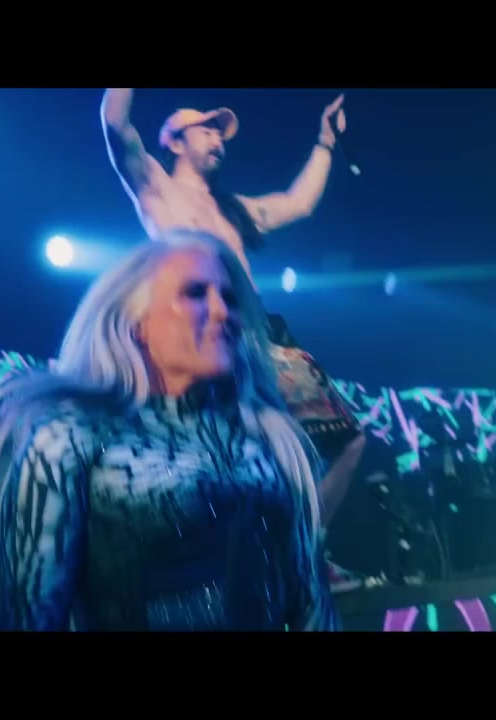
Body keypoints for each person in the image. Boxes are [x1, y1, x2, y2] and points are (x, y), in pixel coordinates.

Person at [0, 230, 337, 631]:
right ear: (136, 323)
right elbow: (32, 616)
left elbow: (311, 600)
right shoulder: (69, 439)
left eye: (230, 298)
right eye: (195, 293)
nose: (222, 312)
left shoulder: (270, 438)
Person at [99, 88, 365, 531]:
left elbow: (298, 203)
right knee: (233, 456)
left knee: (346, 442)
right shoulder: (156, 187)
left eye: (219, 133)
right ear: (175, 141)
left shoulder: (234, 209)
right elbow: (115, 124)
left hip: (259, 333)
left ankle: (306, 542)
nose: (217, 138)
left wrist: (324, 143)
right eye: (205, 130)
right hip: (201, 332)